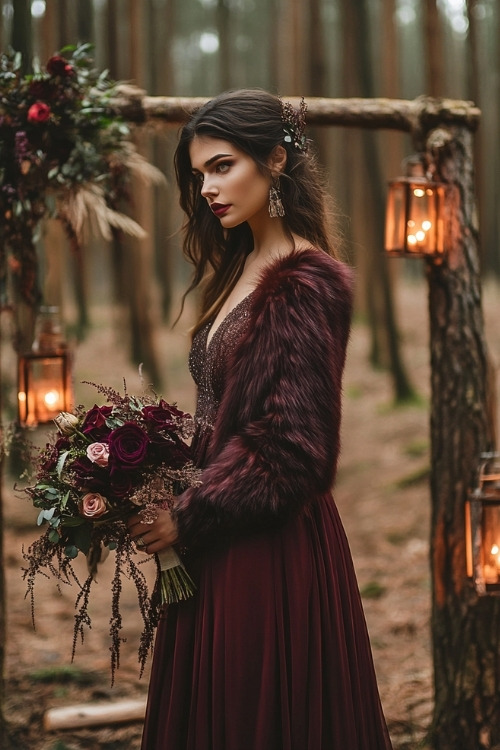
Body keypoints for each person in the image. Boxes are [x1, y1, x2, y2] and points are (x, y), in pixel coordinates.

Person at [127, 89, 393, 750]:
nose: (208, 188)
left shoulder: (307, 281)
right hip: (220, 534)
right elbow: (224, 412)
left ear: (275, 159)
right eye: (198, 175)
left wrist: (187, 516)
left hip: (265, 551)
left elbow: (292, 451)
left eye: (222, 166)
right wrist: (148, 464)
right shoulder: (242, 264)